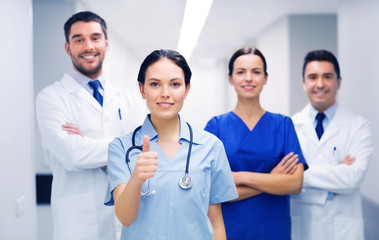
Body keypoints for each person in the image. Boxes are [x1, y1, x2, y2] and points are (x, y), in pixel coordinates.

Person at [104, 49, 238, 240]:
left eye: (175, 84)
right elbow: (125, 218)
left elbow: (216, 223)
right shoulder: (121, 148)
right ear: (142, 90)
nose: (165, 93)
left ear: (187, 89)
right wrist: (136, 179)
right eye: (155, 84)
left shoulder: (210, 146)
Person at [35, 11, 145, 240]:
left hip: (126, 214)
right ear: (67, 47)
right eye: (78, 39)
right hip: (77, 221)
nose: (88, 46)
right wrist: (122, 148)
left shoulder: (129, 98)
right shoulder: (51, 98)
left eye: (95, 37)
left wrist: (89, 146)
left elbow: (141, 153)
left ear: (106, 43)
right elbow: (73, 154)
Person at [204, 47, 308, 240]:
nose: (249, 78)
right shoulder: (216, 127)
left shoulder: (283, 125)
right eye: (241, 72)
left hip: (274, 230)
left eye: (256, 72)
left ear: (265, 78)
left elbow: (295, 183)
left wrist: (239, 177)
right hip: (229, 230)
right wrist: (272, 179)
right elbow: (211, 190)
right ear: (231, 79)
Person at [290, 49, 373, 240]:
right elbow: (283, 179)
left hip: (342, 229)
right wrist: (336, 171)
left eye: (327, 77)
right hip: (302, 226)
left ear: (339, 82)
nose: (320, 84)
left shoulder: (358, 126)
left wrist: (300, 174)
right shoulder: (290, 126)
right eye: (313, 77)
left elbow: (353, 177)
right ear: (304, 83)